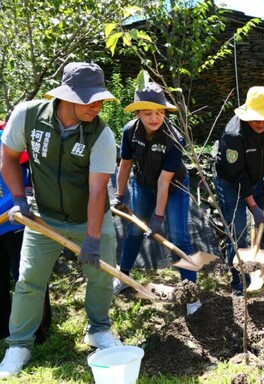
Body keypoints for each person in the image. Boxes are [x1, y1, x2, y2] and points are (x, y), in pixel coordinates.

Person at [0, 62, 123, 379]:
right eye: (88, 99)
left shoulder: (102, 135)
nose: (96, 105)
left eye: (100, 99)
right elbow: (9, 157)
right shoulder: (28, 116)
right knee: (29, 281)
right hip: (45, 218)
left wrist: (93, 239)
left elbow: (98, 191)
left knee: (99, 278)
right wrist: (17, 199)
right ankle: (19, 345)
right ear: (66, 97)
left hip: (90, 218)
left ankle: (98, 329)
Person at [111, 81, 201, 315]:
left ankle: (191, 293)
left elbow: (164, 181)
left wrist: (158, 218)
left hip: (174, 187)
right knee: (134, 231)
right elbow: (125, 164)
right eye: (148, 113)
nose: (154, 118)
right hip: (142, 184)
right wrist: (119, 195)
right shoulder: (130, 131)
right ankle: (123, 276)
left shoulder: (174, 137)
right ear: (138, 113)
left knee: (180, 238)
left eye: (159, 112)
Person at [214, 86, 264, 297]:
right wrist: (254, 207)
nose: (261, 122)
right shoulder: (233, 135)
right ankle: (239, 282)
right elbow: (236, 177)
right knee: (237, 230)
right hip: (231, 183)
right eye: (257, 118)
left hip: (256, 179)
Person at [0, 123, 52, 344]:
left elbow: (32, 166)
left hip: (14, 219)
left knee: (27, 277)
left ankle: (37, 329)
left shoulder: (5, 134)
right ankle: (4, 329)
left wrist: (27, 197)